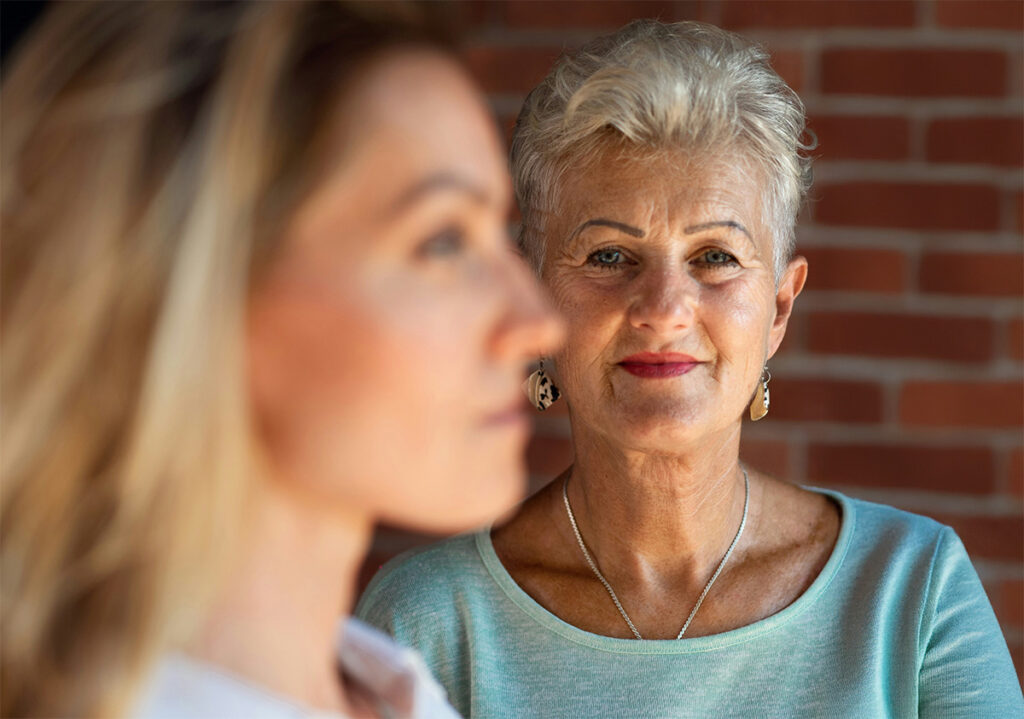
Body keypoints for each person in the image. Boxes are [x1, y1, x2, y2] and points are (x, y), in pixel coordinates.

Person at [356, 19, 1024, 718]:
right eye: (609, 255)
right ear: (537, 298)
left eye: (716, 256)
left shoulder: (909, 590)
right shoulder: (425, 626)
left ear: (779, 308)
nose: (665, 309)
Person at [0, 2, 563, 717]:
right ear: (194, 287)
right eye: (443, 241)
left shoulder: (393, 689)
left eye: (499, 235)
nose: (538, 324)